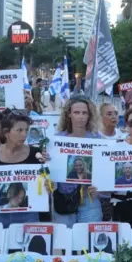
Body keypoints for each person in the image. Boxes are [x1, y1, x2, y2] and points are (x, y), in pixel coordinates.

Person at [0, 109, 49, 228]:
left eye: (26, 130)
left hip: (28, 216)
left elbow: (45, 184)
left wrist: (48, 186)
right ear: (6, 132)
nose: (24, 135)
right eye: (19, 130)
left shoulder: (36, 153)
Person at [52, 96, 103, 227]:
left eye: (84, 113)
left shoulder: (98, 139)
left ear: (89, 115)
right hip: (64, 198)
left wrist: (101, 188)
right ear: (69, 114)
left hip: (90, 199)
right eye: (76, 112)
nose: (81, 117)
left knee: (89, 242)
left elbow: (105, 169)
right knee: (66, 244)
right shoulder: (57, 139)